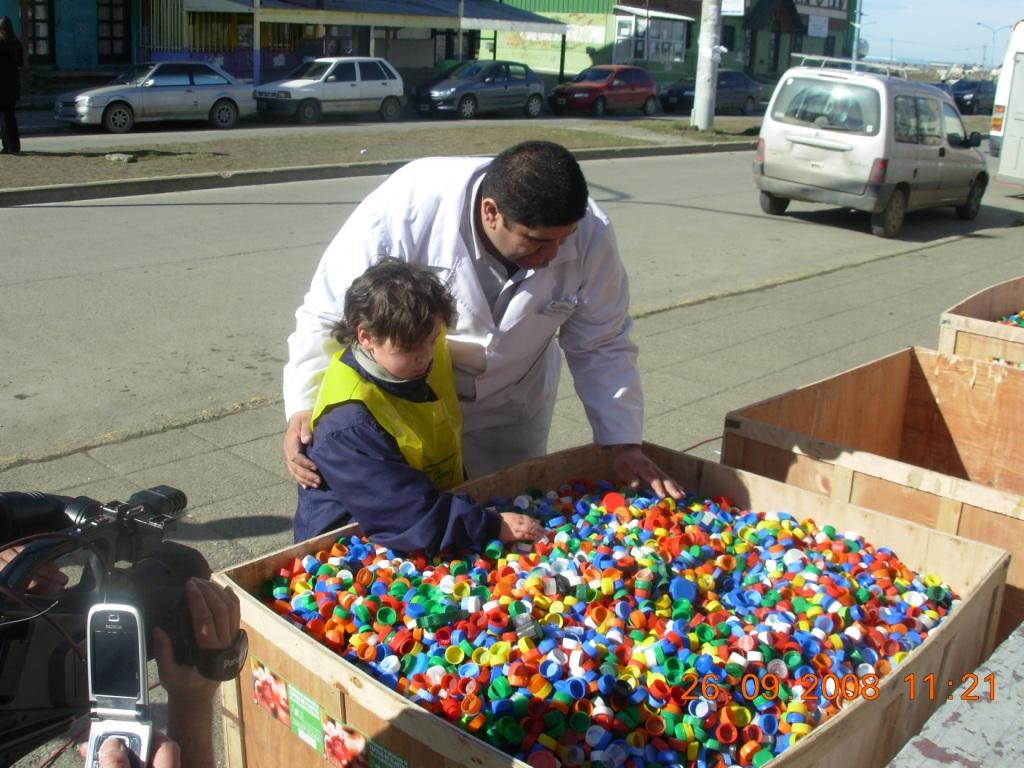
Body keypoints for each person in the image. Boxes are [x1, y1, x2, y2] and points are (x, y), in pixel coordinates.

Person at [283, 140, 683, 501]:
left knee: (504, 509)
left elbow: (602, 341)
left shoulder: (590, 232)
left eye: (564, 239)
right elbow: (329, 310)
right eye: (537, 241)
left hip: (512, 401)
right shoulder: (411, 203)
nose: (553, 254)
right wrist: (306, 405)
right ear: (491, 212)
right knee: (409, 514)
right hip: (403, 402)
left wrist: (622, 442)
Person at [294, 258, 544, 551]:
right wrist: (490, 525)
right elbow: (401, 513)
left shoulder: (419, 354)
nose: (425, 356)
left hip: (429, 513)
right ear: (366, 337)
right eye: (409, 347)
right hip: (349, 546)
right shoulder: (348, 423)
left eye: (432, 339)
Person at [0, 16, 23, 156]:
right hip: (13, 85)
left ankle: (9, 146)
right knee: (9, 117)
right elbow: (20, 63)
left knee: (4, 118)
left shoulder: (1, 43)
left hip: (1, 86)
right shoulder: (16, 42)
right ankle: (12, 146)